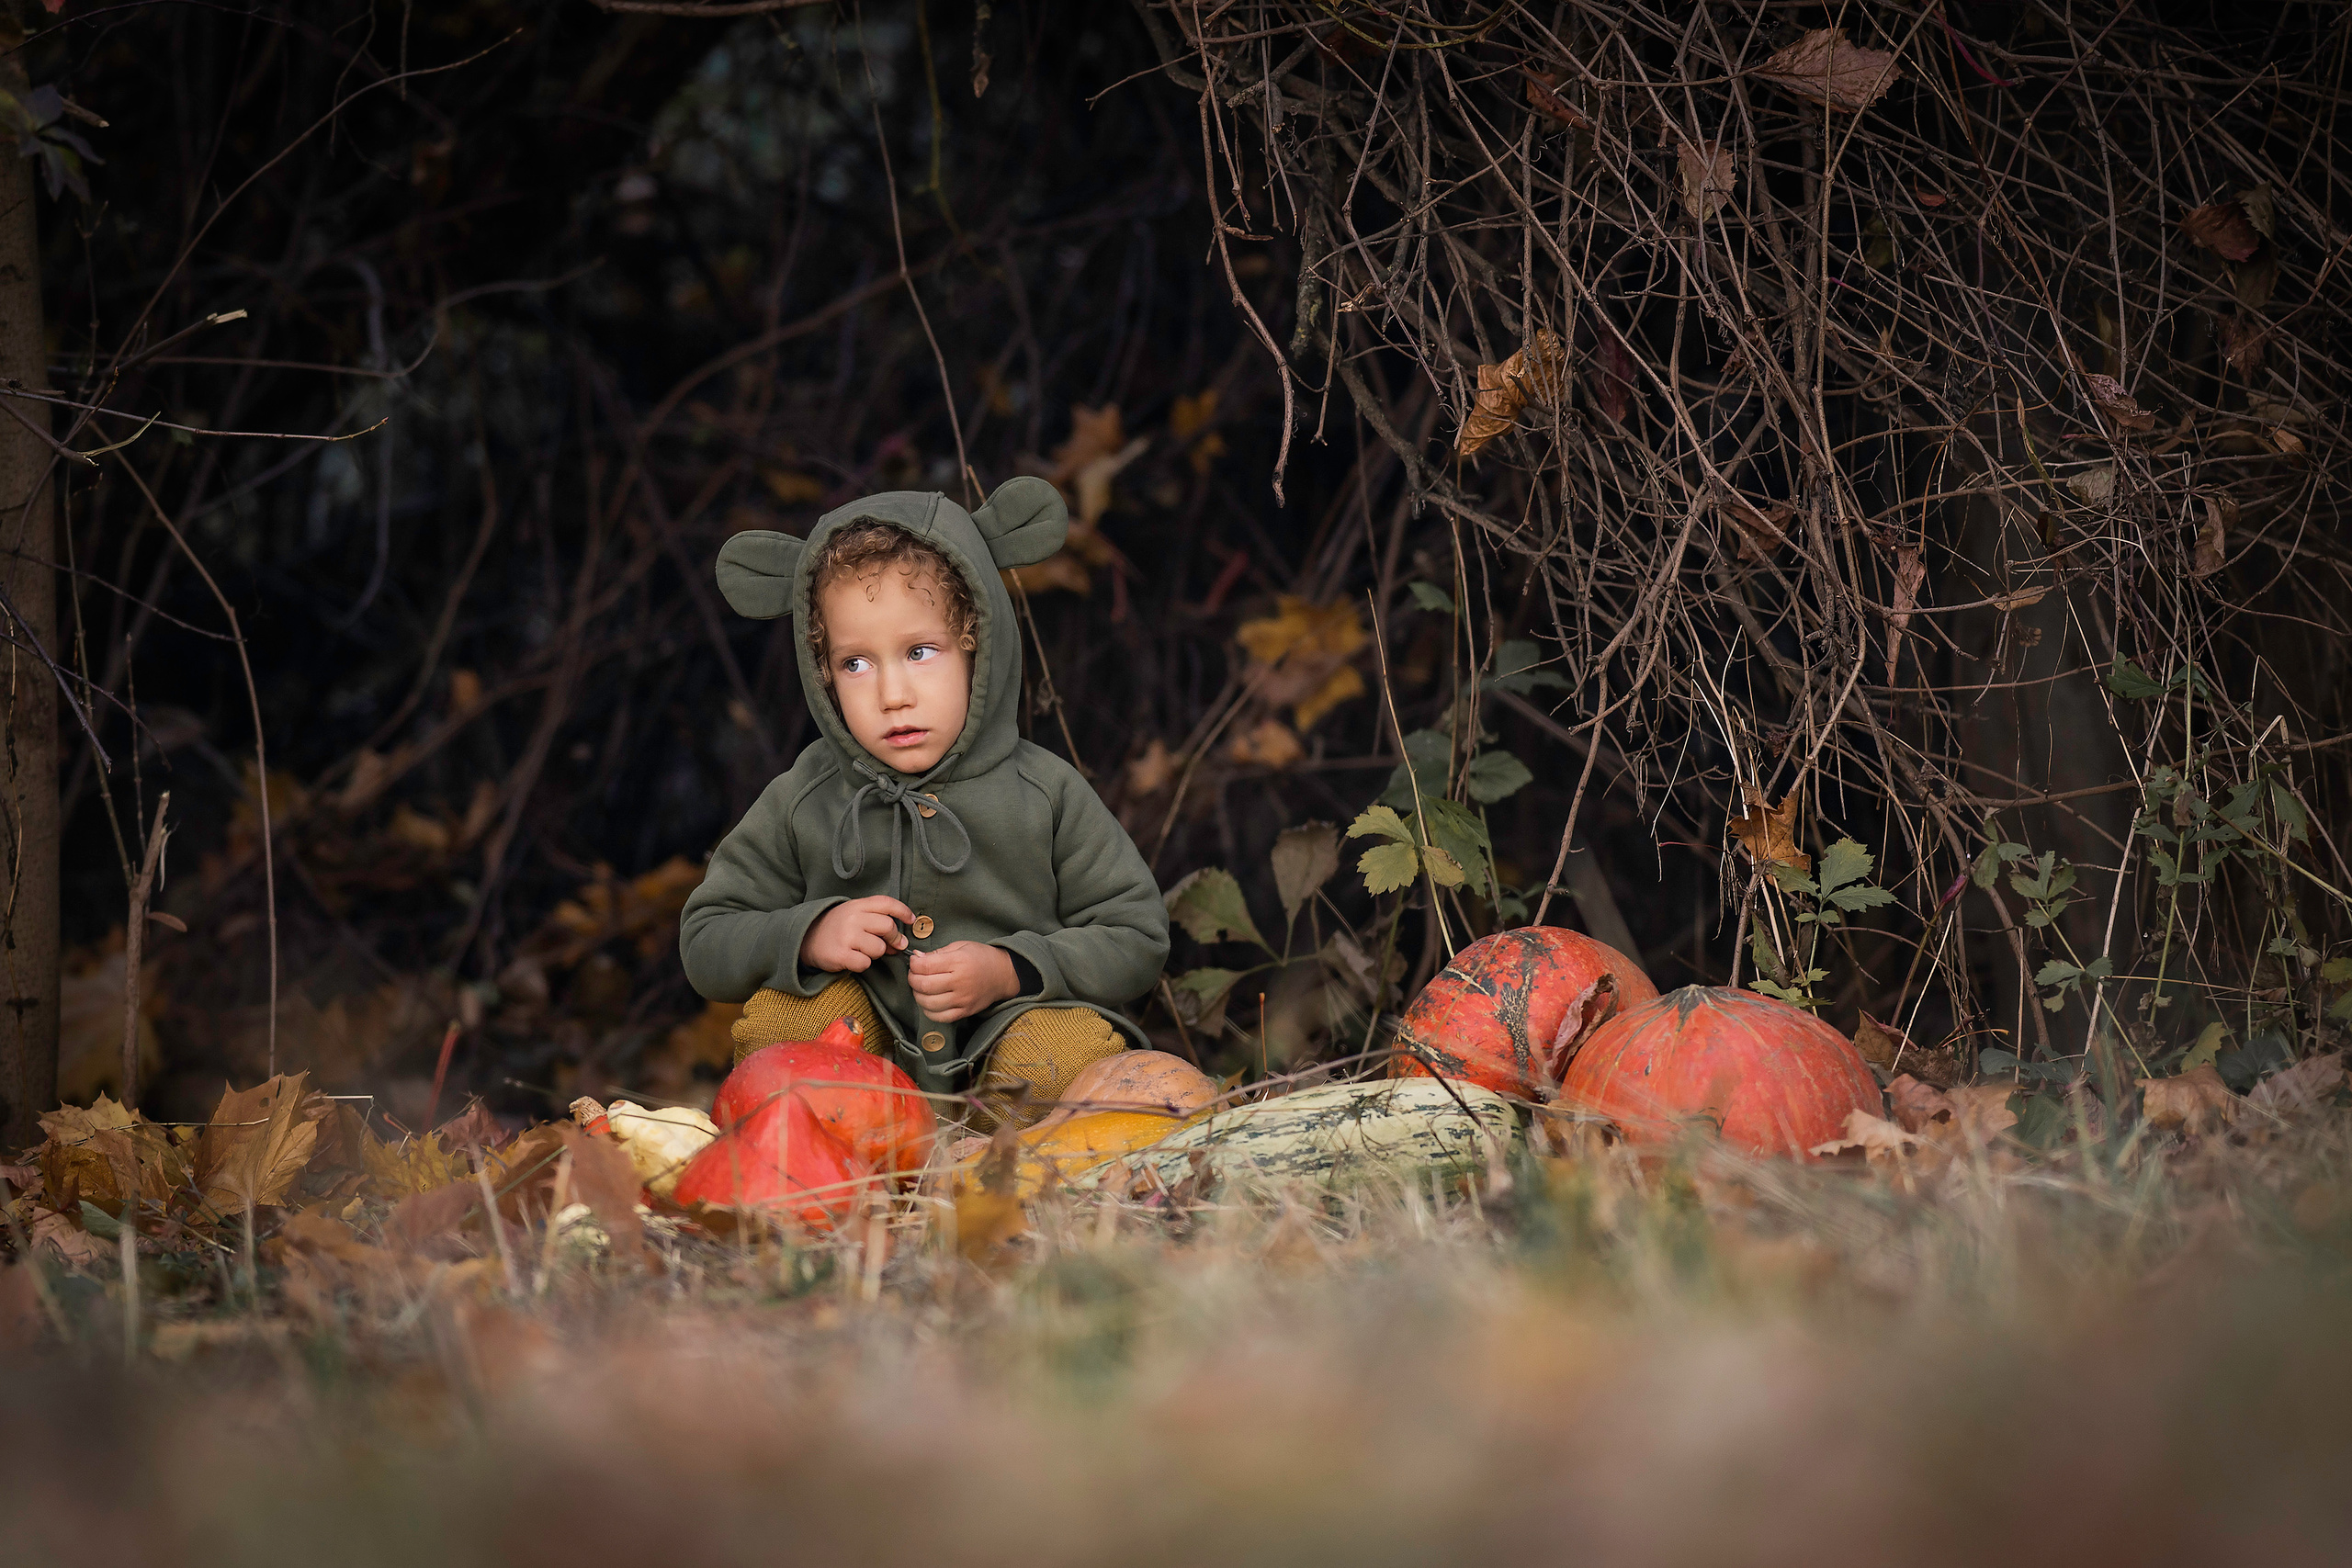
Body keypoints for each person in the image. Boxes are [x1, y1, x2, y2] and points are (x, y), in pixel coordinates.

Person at [680, 478, 1169, 1127]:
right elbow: (706, 936)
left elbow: (1137, 936)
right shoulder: (807, 798)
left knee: (1062, 1052)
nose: (893, 693)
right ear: (821, 672)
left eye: (919, 651)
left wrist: (1013, 969)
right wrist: (807, 934)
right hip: (866, 1058)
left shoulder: (1044, 793)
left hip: (1013, 1029)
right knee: (782, 1027)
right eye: (856, 663)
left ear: (977, 647)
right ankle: (841, 1170)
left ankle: (1002, 1173)